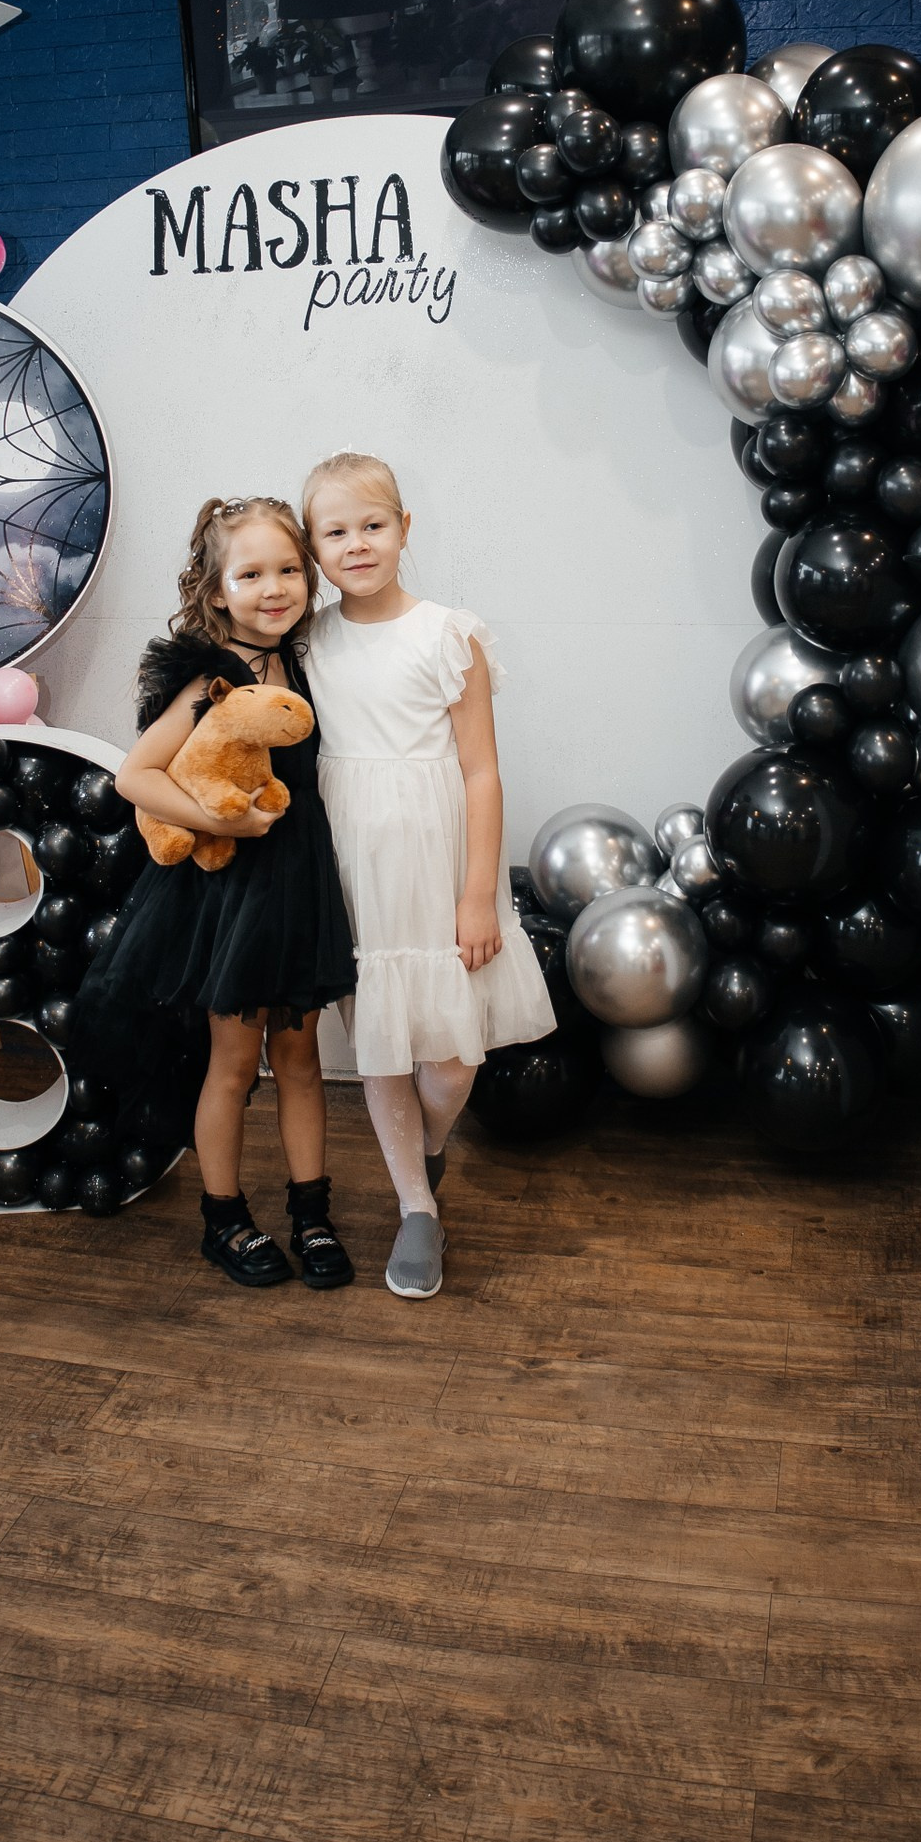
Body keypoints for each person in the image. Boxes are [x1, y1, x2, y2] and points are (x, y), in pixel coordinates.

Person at [73, 496, 356, 1289]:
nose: (274, 588)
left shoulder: (306, 664)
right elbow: (137, 775)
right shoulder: (211, 678)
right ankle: (224, 1218)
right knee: (233, 1062)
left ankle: (311, 1212)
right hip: (232, 898)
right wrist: (220, 820)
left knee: (300, 1058)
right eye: (251, 574)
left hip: (298, 888)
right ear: (216, 591)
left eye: (288, 570)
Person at [300, 452, 553, 1299]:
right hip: (354, 872)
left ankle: (430, 1148)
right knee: (381, 1048)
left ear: (404, 530)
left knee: (446, 1063)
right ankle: (416, 1207)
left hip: (438, 867)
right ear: (313, 548)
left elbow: (481, 771)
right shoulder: (309, 640)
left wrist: (477, 894)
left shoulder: (448, 635)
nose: (356, 544)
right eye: (335, 532)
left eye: (373, 525)